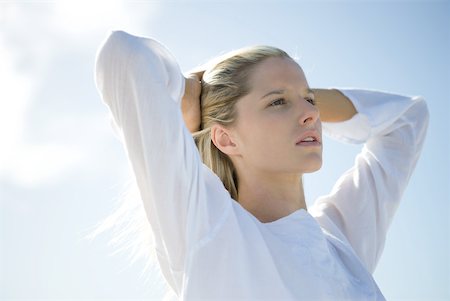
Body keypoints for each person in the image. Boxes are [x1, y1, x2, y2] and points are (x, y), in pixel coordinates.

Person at [95, 30, 429, 300]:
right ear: (226, 139)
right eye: (277, 102)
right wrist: (196, 96)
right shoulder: (211, 229)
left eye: (311, 100)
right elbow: (125, 57)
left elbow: (407, 119)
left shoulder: (341, 244)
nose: (312, 114)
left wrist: (295, 97)